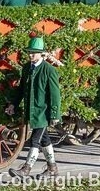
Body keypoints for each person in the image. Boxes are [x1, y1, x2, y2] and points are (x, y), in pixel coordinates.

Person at [5, 37, 62, 178]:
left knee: (35, 140)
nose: (31, 55)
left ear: (41, 53)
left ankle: (25, 169)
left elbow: (55, 94)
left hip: (43, 113)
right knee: (45, 140)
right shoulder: (26, 68)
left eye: (34, 53)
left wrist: (54, 114)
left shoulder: (49, 70)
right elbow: (21, 90)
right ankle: (52, 168)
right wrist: (13, 104)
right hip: (32, 111)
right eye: (29, 52)